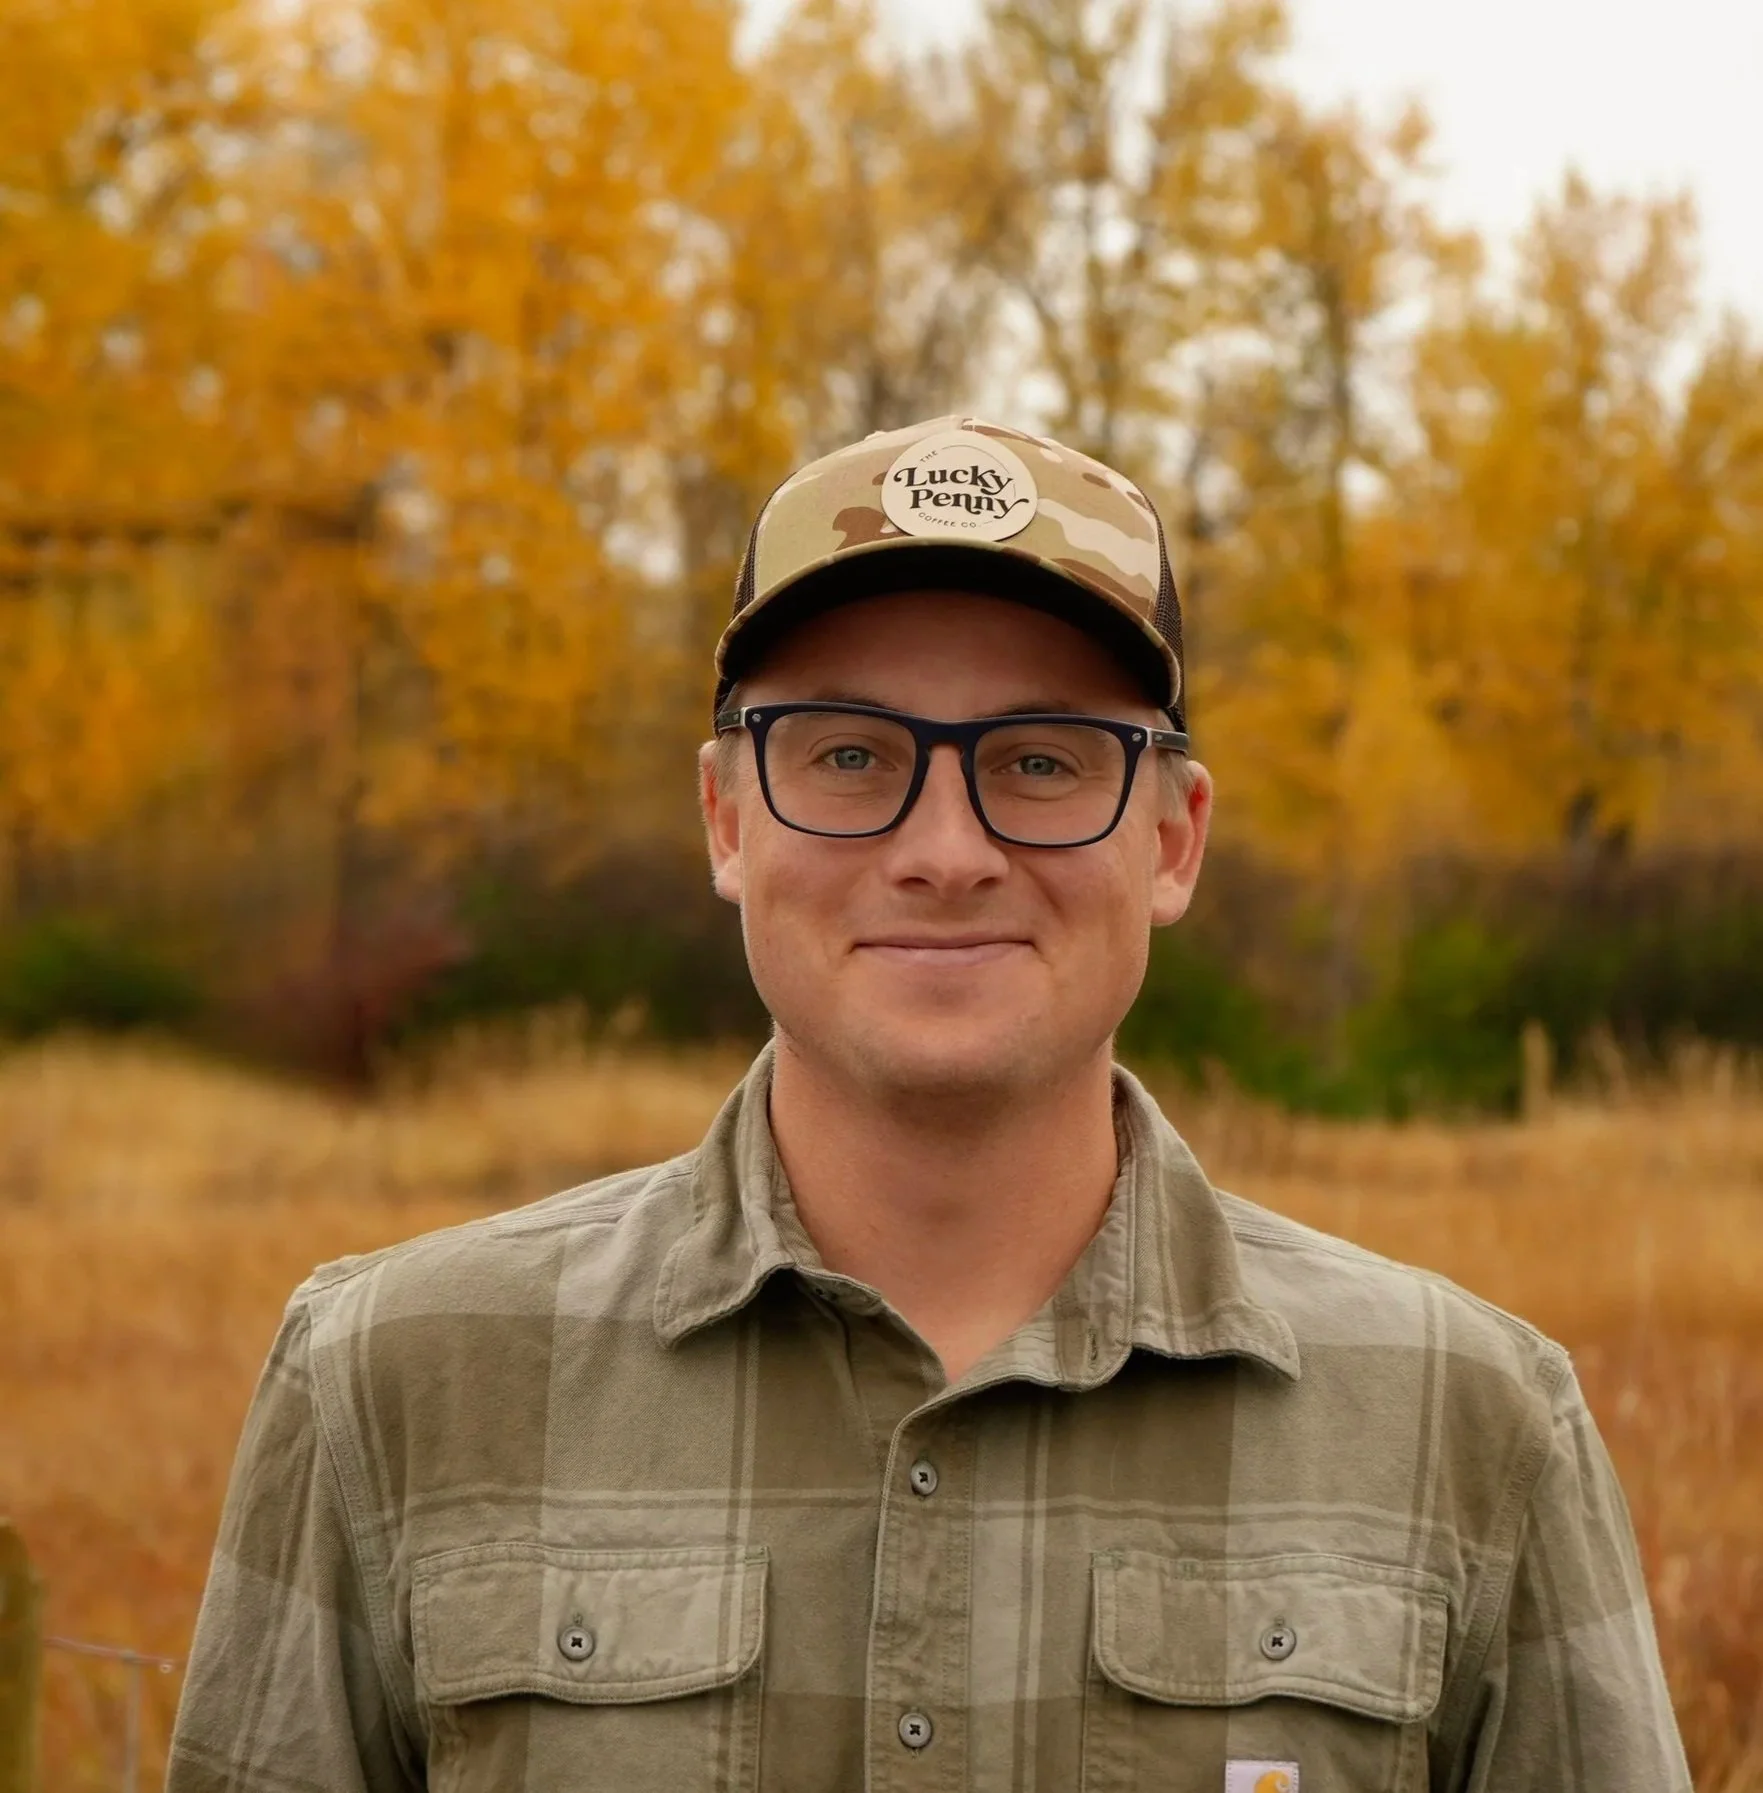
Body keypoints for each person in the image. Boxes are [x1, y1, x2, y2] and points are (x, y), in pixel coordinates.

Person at [168, 417, 1689, 1792]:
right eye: (847, 755)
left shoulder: (1470, 1425)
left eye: (1040, 760)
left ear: (1172, 840)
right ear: (723, 820)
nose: (946, 848)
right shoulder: (393, 1383)